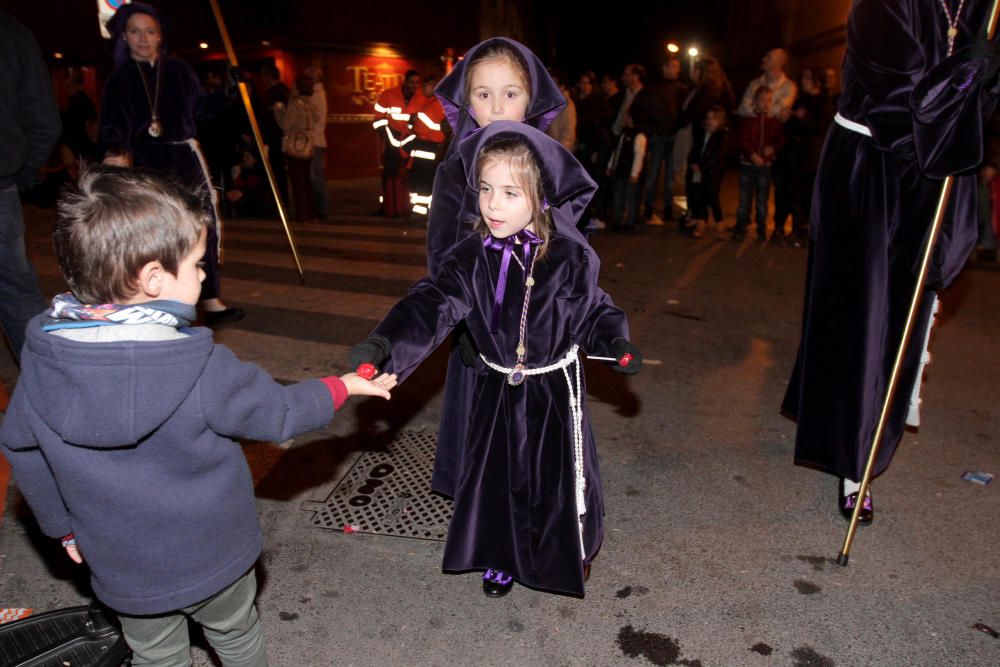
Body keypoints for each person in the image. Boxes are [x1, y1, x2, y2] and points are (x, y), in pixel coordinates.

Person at [0, 166, 397, 666]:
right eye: (195, 265)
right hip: (215, 553)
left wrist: (62, 527)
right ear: (152, 278)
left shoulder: (42, 359)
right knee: (235, 634)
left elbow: (22, 450)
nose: (206, 274)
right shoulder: (199, 366)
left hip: (123, 566)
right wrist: (343, 386)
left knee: (156, 654)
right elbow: (279, 412)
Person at [350, 122, 641, 598]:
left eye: (510, 192)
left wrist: (615, 343)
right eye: (485, 189)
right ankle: (499, 555)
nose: (492, 204)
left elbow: (593, 309)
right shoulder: (471, 255)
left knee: (557, 477)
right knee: (497, 476)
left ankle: (564, 551)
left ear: (541, 196)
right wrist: (387, 344)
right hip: (496, 386)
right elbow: (434, 300)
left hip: (551, 390)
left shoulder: (569, 257)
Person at [781, 0, 1000, 524]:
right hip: (868, 166)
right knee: (863, 316)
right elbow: (899, 100)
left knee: (908, 311)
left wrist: (986, 77)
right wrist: (968, 73)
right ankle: (855, 462)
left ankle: (854, 421)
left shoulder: (980, 9)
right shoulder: (880, 6)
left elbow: (973, 108)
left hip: (929, 172)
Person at [423, 37, 568, 505]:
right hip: (481, 327)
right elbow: (442, 251)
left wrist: (568, 309)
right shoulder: (456, 166)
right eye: (483, 94)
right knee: (484, 429)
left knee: (532, 431)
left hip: (538, 328)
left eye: (511, 93)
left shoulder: (549, 165)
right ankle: (486, 525)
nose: (498, 106)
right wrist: (461, 324)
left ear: (532, 98)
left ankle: (536, 516)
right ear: (467, 101)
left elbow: (570, 246)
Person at [98, 2, 244, 326]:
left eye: (150, 31)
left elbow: (203, 110)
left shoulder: (179, 71)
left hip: (183, 157)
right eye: (135, 32)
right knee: (153, 232)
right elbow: (111, 124)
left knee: (201, 226)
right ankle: (155, 296)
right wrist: (116, 148)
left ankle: (210, 297)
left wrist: (228, 90)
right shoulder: (119, 79)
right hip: (144, 163)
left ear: (160, 36)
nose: (143, 38)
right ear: (125, 36)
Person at [0, 10, 60, 364]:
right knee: (17, 293)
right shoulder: (12, 31)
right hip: (1, 185)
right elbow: (43, 120)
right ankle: (47, 396)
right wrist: (20, 174)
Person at [372, 69, 426, 218]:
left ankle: (406, 206)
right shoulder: (388, 95)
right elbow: (378, 118)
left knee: (411, 175)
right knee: (389, 174)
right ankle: (387, 206)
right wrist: (387, 136)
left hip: (411, 141)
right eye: (411, 82)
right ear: (405, 81)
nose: (414, 86)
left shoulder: (422, 97)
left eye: (417, 83)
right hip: (392, 139)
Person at [642, 55, 690, 224]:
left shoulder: (682, 89)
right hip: (658, 136)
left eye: (678, 66)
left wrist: (678, 128)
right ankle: (648, 207)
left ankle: (668, 208)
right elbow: (645, 109)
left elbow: (686, 111)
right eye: (674, 66)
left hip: (673, 137)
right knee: (653, 173)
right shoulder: (654, 88)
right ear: (665, 68)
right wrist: (652, 129)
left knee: (671, 174)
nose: (677, 70)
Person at [733, 86, 784, 241]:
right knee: (744, 199)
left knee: (762, 200)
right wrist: (752, 154)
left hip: (765, 167)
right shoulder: (748, 121)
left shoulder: (774, 122)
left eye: (769, 100)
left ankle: (761, 228)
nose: (765, 103)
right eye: (762, 100)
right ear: (755, 101)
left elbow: (780, 140)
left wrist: (772, 149)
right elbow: (742, 140)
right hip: (747, 165)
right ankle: (741, 226)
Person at [277, 75, 320, 223]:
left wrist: (278, 111)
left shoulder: (295, 105)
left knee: (298, 182)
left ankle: (302, 215)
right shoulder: (310, 104)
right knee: (306, 181)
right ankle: (311, 214)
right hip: (307, 146)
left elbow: (286, 125)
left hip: (295, 146)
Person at [685, 106, 730, 239]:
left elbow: (719, 156)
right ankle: (700, 223)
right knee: (698, 195)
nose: (710, 122)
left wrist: (702, 167)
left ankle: (719, 224)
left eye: (714, 119)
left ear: (720, 121)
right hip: (699, 170)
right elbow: (694, 151)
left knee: (712, 197)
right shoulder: (701, 133)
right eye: (708, 118)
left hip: (713, 172)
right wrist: (693, 163)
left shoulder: (723, 135)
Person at [407, 73, 448, 219]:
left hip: (426, 149)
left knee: (422, 183)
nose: (423, 88)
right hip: (434, 149)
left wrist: (413, 123)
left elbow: (418, 128)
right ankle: (427, 213)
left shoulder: (432, 106)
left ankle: (420, 214)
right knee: (428, 182)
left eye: (425, 85)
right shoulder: (441, 104)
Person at [305, 66, 330, 220]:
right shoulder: (318, 94)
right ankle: (321, 207)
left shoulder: (315, 95)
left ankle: (322, 208)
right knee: (315, 176)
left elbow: (313, 119)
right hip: (317, 140)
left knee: (315, 176)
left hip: (315, 140)